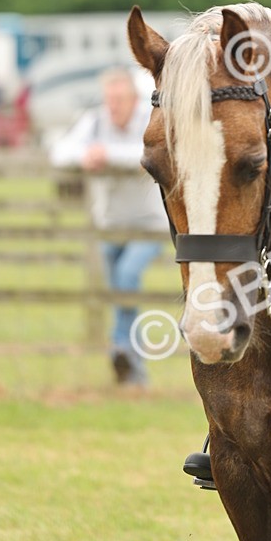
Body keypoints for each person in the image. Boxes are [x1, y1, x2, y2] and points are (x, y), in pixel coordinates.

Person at [50, 68, 167, 386]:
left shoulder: (149, 118)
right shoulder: (96, 121)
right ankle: (130, 366)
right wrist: (85, 156)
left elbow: (154, 154)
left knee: (127, 277)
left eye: (118, 99)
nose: (112, 105)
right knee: (119, 291)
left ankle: (124, 353)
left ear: (132, 99)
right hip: (109, 225)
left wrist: (108, 155)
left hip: (149, 224)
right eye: (109, 99)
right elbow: (60, 151)